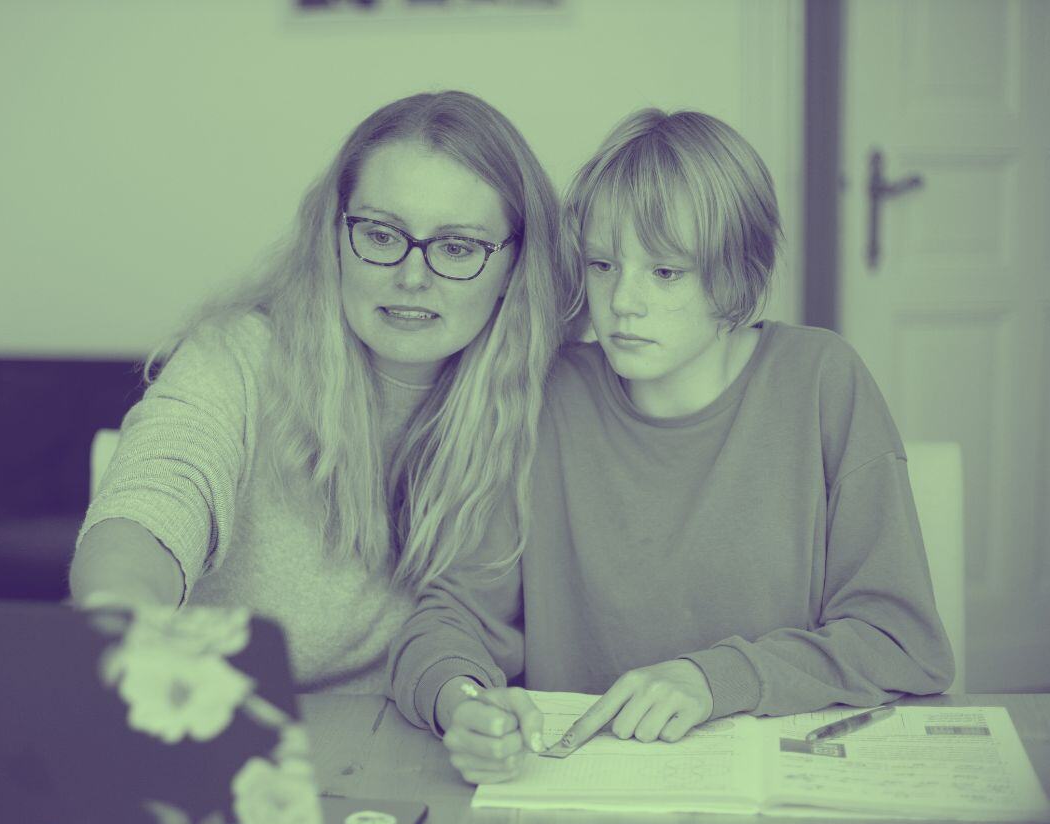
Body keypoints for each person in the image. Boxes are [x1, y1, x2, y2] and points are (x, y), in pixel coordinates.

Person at [387, 108, 955, 783]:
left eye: (665, 272)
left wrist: (711, 679)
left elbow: (900, 642)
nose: (622, 300)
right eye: (602, 264)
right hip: (575, 793)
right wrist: (463, 705)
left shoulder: (820, 380)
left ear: (737, 277)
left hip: (773, 796)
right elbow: (450, 617)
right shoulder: (546, 395)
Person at [69, 91, 572, 694]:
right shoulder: (239, 356)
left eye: (457, 247)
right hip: (220, 722)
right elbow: (155, 495)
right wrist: (122, 612)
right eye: (382, 235)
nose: (413, 277)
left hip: (416, 741)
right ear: (332, 236)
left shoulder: (551, 393)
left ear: (516, 263)